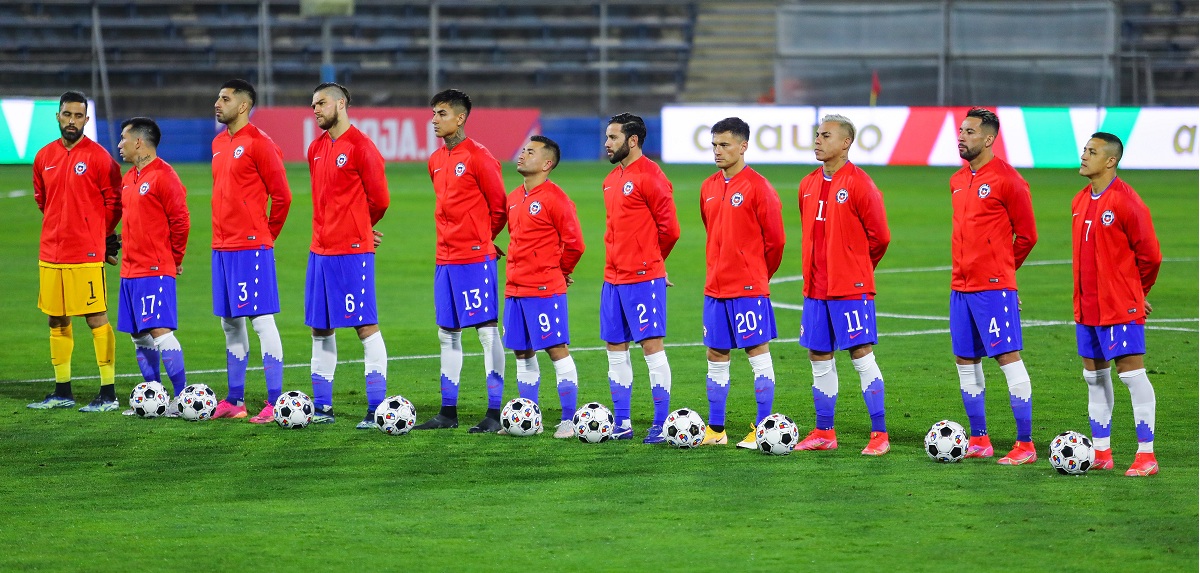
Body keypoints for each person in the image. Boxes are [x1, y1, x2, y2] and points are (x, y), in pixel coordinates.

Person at [794, 114, 892, 456]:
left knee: (860, 353)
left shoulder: (861, 183)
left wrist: (858, 269)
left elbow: (880, 236)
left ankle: (879, 434)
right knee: (818, 355)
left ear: (846, 143)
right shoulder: (806, 184)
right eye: (817, 135)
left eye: (826, 136)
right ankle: (824, 431)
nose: (818, 140)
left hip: (850, 287)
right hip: (816, 289)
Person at [948, 107, 1039, 465]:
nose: (961, 137)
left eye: (969, 132)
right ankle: (980, 438)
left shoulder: (1008, 180)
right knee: (965, 359)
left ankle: (1025, 444)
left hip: (993, 288)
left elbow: (1027, 236)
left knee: (1006, 356)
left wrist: (1003, 274)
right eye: (960, 130)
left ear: (988, 139)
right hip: (960, 287)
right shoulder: (957, 180)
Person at [415, 89, 508, 433]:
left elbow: (499, 207)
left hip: (474, 260)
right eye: (433, 114)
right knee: (447, 335)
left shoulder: (480, 157)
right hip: (445, 260)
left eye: (441, 113)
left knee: (486, 333)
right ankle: (447, 413)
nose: (434, 120)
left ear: (461, 117)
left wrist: (483, 240)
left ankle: (494, 414)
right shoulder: (435, 160)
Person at [1072, 132, 1162, 476]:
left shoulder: (1127, 201)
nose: (1084, 156)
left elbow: (1151, 256)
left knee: (1133, 376)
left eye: (1092, 152)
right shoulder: (1080, 200)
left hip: (1118, 307)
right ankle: (1101, 452)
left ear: (1111, 161)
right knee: (1094, 378)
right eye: (1084, 150)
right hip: (1086, 307)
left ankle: (1146, 455)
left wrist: (1136, 294)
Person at [29, 91, 123, 412]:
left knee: (96, 318)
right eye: (67, 114)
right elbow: (42, 199)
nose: (72, 121)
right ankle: (62, 391)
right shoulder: (43, 157)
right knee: (56, 319)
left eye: (78, 116)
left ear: (86, 119)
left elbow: (114, 203)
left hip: (86, 253)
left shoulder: (99, 158)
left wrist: (100, 234)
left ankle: (108, 392)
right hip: (51, 253)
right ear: (57, 116)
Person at [304, 82, 391, 429]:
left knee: (364, 326)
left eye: (321, 103)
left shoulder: (362, 147)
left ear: (341, 104)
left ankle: (376, 408)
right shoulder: (315, 149)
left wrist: (358, 227)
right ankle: (322, 407)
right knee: (320, 328)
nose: (315, 110)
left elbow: (380, 199)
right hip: (319, 252)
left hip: (351, 253)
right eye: (312, 105)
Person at [698, 117, 785, 449]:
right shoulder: (708, 187)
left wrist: (759, 275)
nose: (718, 151)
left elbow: (775, 242)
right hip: (715, 288)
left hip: (748, 288)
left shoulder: (758, 187)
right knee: (716, 354)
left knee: (757, 351)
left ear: (743, 146)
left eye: (725, 145)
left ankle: (762, 429)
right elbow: (712, 231)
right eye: (714, 145)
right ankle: (716, 430)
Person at [210, 79, 293, 423]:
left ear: (243, 106)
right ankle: (235, 400)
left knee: (261, 321)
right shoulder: (217, 143)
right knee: (230, 323)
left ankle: (275, 402)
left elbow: (283, 196)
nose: (217, 103)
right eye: (218, 96)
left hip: (250, 247)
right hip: (222, 247)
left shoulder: (261, 144)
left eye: (225, 98)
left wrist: (264, 237)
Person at [600, 113, 680, 443]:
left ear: (632, 141)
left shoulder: (651, 176)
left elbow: (670, 230)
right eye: (606, 137)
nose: (606, 143)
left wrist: (652, 264)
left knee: (651, 346)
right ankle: (622, 423)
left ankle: (661, 423)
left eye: (613, 138)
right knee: (615, 348)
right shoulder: (610, 180)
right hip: (612, 279)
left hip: (642, 278)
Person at [500, 136, 585, 439]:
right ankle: (530, 417)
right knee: (522, 352)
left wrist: (560, 272)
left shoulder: (555, 198)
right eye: (523, 150)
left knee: (555, 349)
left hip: (544, 289)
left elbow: (575, 244)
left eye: (530, 152)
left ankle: (568, 420)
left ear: (547, 164)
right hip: (514, 289)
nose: (522, 155)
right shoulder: (512, 197)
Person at [114, 117, 191, 414]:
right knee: (138, 335)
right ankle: (154, 398)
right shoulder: (129, 177)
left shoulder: (164, 176)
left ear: (138, 142)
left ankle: (182, 398)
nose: (119, 144)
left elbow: (181, 221)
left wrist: (175, 258)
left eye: (123, 138)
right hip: (130, 271)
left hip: (154, 269)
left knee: (159, 331)